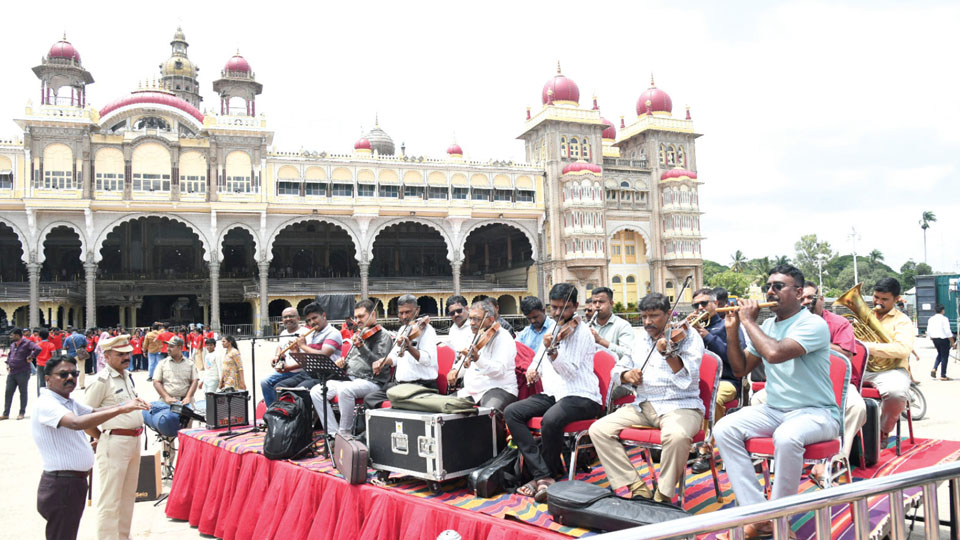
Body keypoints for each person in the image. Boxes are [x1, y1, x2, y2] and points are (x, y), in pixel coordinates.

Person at [713, 265, 839, 539]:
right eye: (768, 286)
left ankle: (779, 518)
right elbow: (740, 369)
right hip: (775, 410)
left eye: (778, 286)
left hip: (817, 413)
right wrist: (733, 330)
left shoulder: (813, 324)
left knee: (786, 437)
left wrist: (749, 322)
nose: (770, 291)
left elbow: (774, 353)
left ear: (797, 292)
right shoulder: (768, 325)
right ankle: (759, 516)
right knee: (723, 429)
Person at [589, 292, 705, 503]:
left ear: (669, 314)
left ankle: (663, 494)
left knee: (677, 436)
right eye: (644, 317)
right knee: (598, 429)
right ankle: (636, 486)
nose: (648, 322)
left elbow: (689, 379)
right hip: (643, 405)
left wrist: (669, 354)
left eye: (654, 316)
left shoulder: (689, 337)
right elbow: (618, 368)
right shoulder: (640, 339)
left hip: (681, 405)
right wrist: (626, 375)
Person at [32, 356, 148, 540]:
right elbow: (77, 422)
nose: (70, 377)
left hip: (73, 481)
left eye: (74, 373)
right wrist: (120, 410)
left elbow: (92, 412)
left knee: (67, 533)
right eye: (63, 374)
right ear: (47, 378)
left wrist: (125, 405)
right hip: (61, 483)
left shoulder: (67, 401)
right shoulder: (48, 403)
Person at [505, 283, 602, 502]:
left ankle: (542, 476)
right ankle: (544, 474)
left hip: (583, 395)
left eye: (563, 308)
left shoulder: (583, 332)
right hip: (555, 394)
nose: (558, 313)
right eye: (554, 308)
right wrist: (533, 370)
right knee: (512, 412)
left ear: (575, 306)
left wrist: (553, 353)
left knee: (550, 420)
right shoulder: (553, 329)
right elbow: (537, 358)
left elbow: (570, 373)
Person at [800, 281, 867, 485]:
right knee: (758, 399)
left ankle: (831, 461)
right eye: (801, 298)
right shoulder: (791, 322)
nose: (805, 302)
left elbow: (847, 354)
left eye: (810, 298)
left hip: (834, 384)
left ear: (821, 298)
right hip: (801, 383)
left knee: (857, 407)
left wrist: (817, 341)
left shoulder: (839, 323)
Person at [84, 334, 145, 540]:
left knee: (127, 498)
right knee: (110, 500)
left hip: (133, 441)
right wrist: (100, 437)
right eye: (120, 354)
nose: (126, 358)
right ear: (107, 356)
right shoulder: (101, 381)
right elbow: (85, 417)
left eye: (127, 353)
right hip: (114, 442)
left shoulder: (126, 376)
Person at [310, 299, 392, 436]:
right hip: (350, 379)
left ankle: (345, 434)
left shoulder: (383, 336)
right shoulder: (359, 334)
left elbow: (379, 363)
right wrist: (343, 363)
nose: (358, 320)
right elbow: (352, 360)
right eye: (356, 317)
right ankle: (332, 433)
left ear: (373, 315)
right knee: (316, 391)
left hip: (372, 381)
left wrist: (362, 348)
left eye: (361, 316)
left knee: (344, 390)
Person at [689, 287, 744, 473]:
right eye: (696, 305)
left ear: (716, 304)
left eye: (704, 303)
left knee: (715, 398)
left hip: (726, 380)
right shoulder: (692, 329)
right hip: (697, 381)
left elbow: (735, 358)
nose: (699, 308)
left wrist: (708, 337)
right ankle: (687, 443)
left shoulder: (729, 325)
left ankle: (706, 449)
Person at [861, 277, 914, 447]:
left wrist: (867, 346)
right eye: (876, 297)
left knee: (896, 393)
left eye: (885, 299)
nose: (878, 302)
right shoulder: (863, 317)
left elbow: (902, 349)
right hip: (863, 369)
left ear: (896, 299)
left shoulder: (903, 321)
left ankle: (882, 430)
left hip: (891, 370)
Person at [364, 294, 439, 409]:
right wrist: (382, 362)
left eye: (407, 312)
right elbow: (394, 357)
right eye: (401, 313)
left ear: (417, 310)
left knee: (399, 401)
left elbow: (426, 359)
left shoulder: (427, 331)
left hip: (421, 385)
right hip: (401, 385)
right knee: (370, 399)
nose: (404, 316)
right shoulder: (402, 330)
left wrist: (410, 348)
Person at [446, 300, 518, 412]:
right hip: (473, 389)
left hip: (499, 388)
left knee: (488, 413)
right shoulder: (473, 334)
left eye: (476, 319)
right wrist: (455, 371)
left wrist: (478, 359)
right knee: (444, 406)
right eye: (470, 318)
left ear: (491, 319)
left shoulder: (503, 337)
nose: (472, 323)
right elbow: (466, 359)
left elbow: (499, 371)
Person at [280, 302, 344, 389]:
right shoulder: (313, 333)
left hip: (327, 375)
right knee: (280, 386)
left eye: (314, 318)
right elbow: (309, 359)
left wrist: (303, 346)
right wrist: (296, 351)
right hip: (311, 373)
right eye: (309, 320)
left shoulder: (333, 332)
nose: (312, 322)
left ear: (323, 315)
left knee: (299, 391)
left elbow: (323, 356)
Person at [260, 307, 310, 407]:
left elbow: (308, 358)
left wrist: (295, 354)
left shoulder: (306, 333)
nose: (288, 319)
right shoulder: (283, 333)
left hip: (300, 371)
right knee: (264, 382)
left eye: (291, 316)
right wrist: (276, 356)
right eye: (285, 317)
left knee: (270, 383)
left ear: (298, 318)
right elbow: (280, 346)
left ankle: (279, 410)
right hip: (286, 371)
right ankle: (273, 410)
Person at [3, 328, 39, 420]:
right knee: (8, 392)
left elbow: (38, 348)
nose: (11, 337)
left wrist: (31, 357)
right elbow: (10, 354)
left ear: (18, 335)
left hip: (23, 372)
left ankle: (21, 412)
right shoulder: (12, 345)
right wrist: (8, 363)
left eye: (12, 335)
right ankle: (6, 413)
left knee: (22, 392)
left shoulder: (27, 343)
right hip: (12, 372)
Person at [588, 286, 634, 359]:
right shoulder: (587, 327)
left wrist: (600, 341)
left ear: (611, 303)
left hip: (615, 369)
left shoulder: (623, 325)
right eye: (594, 302)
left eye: (601, 302)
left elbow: (628, 353)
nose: (597, 305)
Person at [153, 337, 199, 404]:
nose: (168, 349)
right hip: (167, 402)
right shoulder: (162, 363)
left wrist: (188, 397)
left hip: (186, 402)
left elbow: (194, 381)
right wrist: (166, 397)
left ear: (180, 348)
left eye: (171, 346)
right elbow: (156, 382)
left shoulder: (190, 364)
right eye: (168, 346)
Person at [928, 304, 955, 380]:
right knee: (944, 356)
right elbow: (947, 331)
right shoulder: (944, 319)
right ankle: (943, 375)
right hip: (943, 339)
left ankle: (934, 368)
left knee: (940, 354)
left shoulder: (931, 319)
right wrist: (952, 342)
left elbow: (929, 330)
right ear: (942, 310)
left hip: (935, 339)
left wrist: (932, 338)